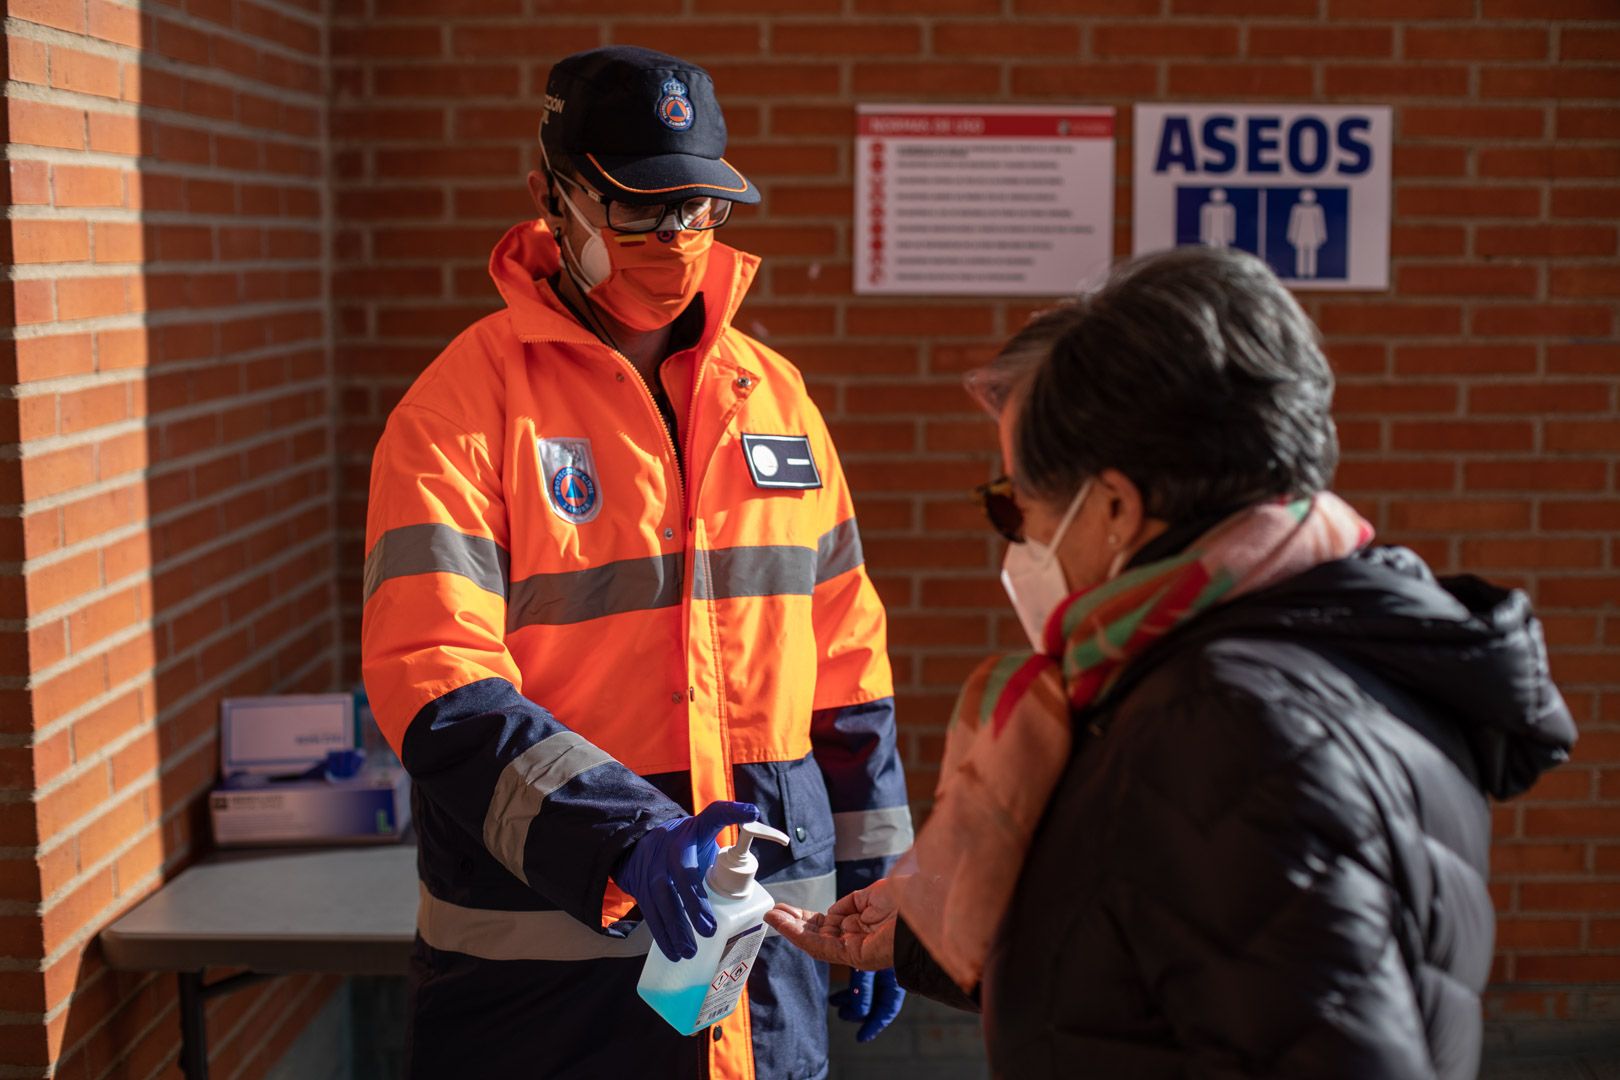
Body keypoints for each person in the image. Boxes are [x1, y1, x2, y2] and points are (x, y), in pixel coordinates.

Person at [767, 246, 1576, 1079]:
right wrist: (930, 933)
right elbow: (1174, 962)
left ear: (1115, 506)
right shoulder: (1341, 649)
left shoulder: (1224, 725)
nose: (1019, 539)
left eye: (1014, 501)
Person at [361, 46, 912, 1080]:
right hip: (545, 1002)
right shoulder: (462, 409)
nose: (674, 239)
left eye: (697, 211)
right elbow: (436, 679)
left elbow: (848, 667)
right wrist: (622, 835)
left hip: (756, 981)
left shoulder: (774, 398)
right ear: (551, 198)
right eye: (638, 210)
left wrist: (883, 881)